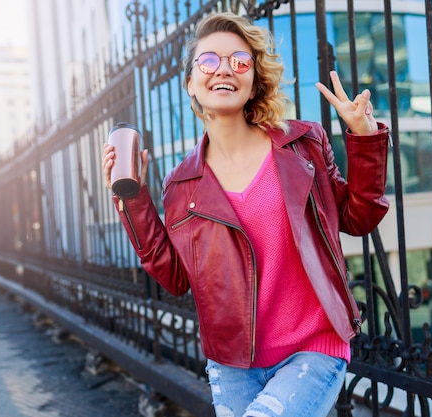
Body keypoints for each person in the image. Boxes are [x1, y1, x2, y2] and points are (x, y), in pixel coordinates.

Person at [102, 11, 390, 417]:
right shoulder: (180, 184)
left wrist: (364, 137)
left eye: (239, 61)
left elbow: (359, 217)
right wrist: (134, 201)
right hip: (233, 364)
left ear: (253, 79)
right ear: (191, 83)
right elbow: (175, 277)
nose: (224, 70)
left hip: (314, 346)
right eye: (208, 61)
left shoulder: (304, 144)